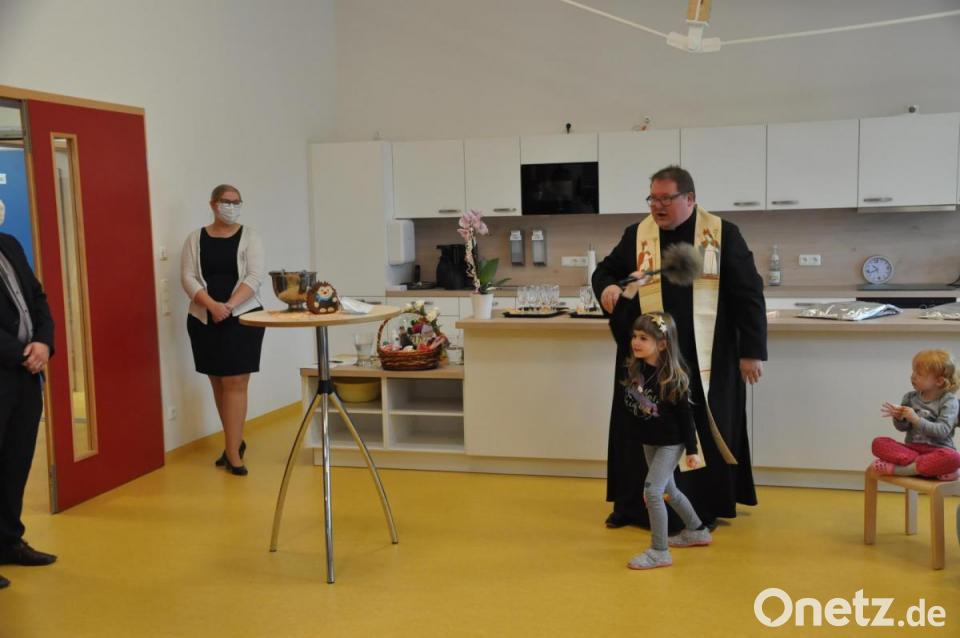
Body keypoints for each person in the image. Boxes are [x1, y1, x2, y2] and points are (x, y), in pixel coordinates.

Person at [592, 165, 767, 531]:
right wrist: (607, 286)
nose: (657, 206)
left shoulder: (722, 235)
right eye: (652, 198)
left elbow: (749, 294)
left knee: (698, 428)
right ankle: (633, 506)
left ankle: (703, 508)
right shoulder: (638, 235)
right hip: (648, 359)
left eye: (666, 198)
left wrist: (751, 352)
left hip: (706, 357)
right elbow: (605, 271)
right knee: (642, 424)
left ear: (689, 198)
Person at [609, 305, 712, 570]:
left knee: (653, 492)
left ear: (663, 344)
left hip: (670, 443)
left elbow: (686, 418)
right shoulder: (636, 371)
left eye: (643, 338)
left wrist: (692, 450)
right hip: (649, 440)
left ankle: (659, 551)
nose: (635, 342)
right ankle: (697, 530)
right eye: (634, 336)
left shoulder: (672, 379)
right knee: (669, 490)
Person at [181, 185, 266, 476]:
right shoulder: (195, 238)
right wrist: (212, 306)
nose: (231, 206)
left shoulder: (251, 236)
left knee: (236, 381)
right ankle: (234, 442)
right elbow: (188, 277)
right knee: (218, 381)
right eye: (225, 201)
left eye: (236, 201)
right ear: (213, 204)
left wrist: (227, 306)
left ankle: (233, 454)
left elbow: (254, 277)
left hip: (243, 317)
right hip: (204, 319)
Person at [0, 230, 57, 590]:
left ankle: (8, 542)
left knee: (16, 462)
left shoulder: (9, 244)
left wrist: (44, 342)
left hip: (25, 376)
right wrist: (23, 353)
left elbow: (37, 298)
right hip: (11, 364)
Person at [872, 350, 960, 481]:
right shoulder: (910, 397)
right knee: (878, 443)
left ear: (939, 381)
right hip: (911, 450)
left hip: (938, 450)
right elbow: (902, 428)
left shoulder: (948, 401)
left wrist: (916, 419)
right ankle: (929, 468)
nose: (913, 376)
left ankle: (902, 470)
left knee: (954, 458)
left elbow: (942, 431)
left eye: (919, 374)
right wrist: (899, 418)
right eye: (913, 371)